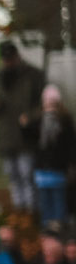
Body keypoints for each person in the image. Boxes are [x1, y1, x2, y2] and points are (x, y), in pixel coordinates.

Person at [0, 41, 44, 215]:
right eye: (5, 59)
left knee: (27, 174)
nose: (9, 62)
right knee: (13, 175)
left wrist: (30, 117)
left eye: (11, 58)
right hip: (6, 135)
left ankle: (32, 209)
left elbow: (43, 104)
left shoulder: (33, 75)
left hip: (26, 135)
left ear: (17, 56)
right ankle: (19, 209)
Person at [33, 84, 76, 228]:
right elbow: (30, 139)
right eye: (47, 103)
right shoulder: (38, 120)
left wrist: (70, 165)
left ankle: (59, 224)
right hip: (42, 168)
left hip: (58, 168)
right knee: (45, 199)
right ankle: (47, 225)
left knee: (59, 198)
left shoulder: (64, 121)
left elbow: (70, 145)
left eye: (53, 103)